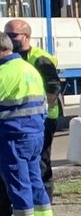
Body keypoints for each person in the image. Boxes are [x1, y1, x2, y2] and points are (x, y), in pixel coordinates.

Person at [0, 32, 51, 216]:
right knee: (35, 184)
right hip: (33, 136)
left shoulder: (3, 74)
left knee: (19, 187)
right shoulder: (29, 69)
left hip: (12, 137)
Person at [3, 20, 63, 199]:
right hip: (24, 120)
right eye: (6, 35)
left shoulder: (39, 58)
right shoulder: (13, 58)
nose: (8, 39)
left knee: (41, 162)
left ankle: (46, 198)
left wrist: (44, 110)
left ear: (26, 37)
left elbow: (53, 87)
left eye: (12, 35)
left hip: (43, 118)